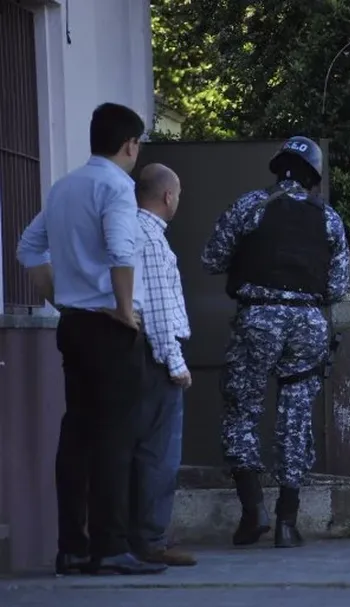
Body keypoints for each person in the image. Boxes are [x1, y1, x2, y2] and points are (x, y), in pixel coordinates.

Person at [16, 102, 166, 575]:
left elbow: (28, 247)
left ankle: (72, 546)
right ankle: (111, 546)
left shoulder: (65, 186)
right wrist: (125, 311)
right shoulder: (117, 187)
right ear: (129, 144)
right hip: (109, 326)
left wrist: (59, 298)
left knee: (76, 435)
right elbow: (121, 250)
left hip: (74, 324)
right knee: (115, 438)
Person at [201, 135, 350, 549]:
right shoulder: (328, 219)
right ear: (314, 176)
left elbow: (211, 259)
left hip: (257, 317)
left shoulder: (250, 205)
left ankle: (253, 514)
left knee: (242, 410)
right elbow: (337, 287)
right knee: (296, 416)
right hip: (308, 323)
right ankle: (288, 523)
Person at [129, 163, 196, 566]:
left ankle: (133, 534)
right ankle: (151, 538)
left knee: (133, 448)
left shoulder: (126, 231)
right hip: (155, 355)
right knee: (159, 452)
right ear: (168, 196)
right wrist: (175, 362)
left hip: (130, 351)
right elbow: (156, 307)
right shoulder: (152, 240)